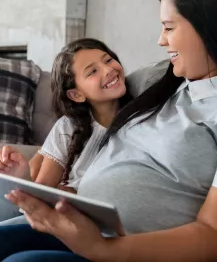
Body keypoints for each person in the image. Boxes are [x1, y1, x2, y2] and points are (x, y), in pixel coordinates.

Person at [0, 0, 217, 261]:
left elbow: (215, 236)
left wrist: (101, 249)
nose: (161, 40)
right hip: (81, 230)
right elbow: (89, 115)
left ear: (214, 29)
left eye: (169, 27)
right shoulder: (159, 83)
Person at [0, 38, 132, 220]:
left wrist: (76, 194)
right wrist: (22, 177)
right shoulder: (68, 127)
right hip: (55, 219)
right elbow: (40, 197)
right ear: (77, 94)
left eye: (107, 60)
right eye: (93, 71)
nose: (109, 70)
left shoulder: (139, 123)